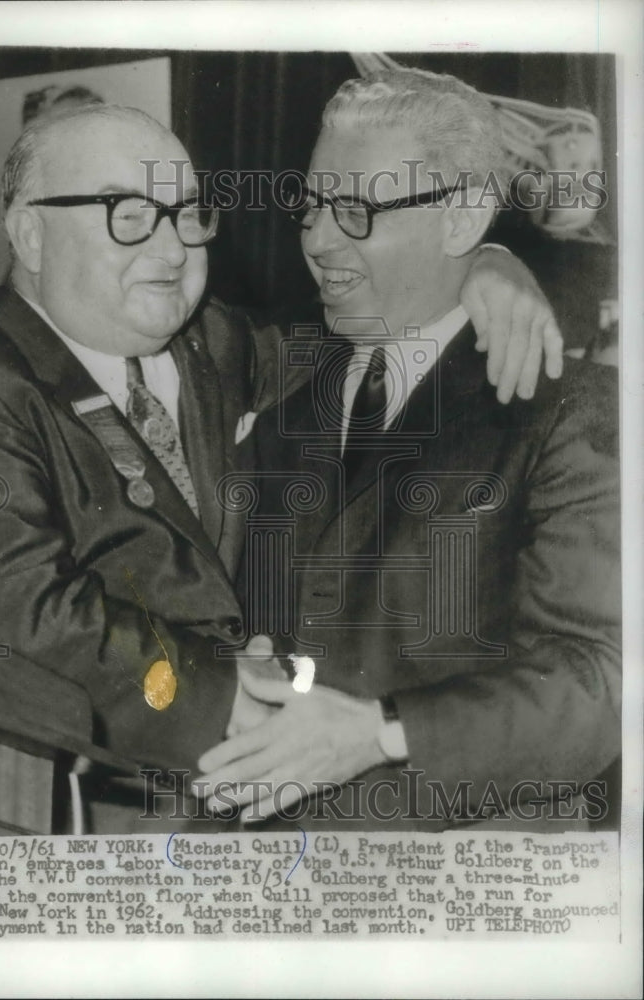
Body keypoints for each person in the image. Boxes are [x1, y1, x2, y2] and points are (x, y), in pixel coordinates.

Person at [0, 102, 564, 830]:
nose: (172, 250)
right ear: (31, 234)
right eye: (129, 215)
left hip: (248, 818)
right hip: (65, 809)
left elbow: (380, 310)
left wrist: (482, 261)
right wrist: (222, 695)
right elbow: (2, 601)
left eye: (188, 214)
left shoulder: (212, 345)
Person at [196, 69, 620, 831]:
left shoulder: (573, 410)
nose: (319, 241)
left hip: (472, 893)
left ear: (461, 220)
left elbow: (597, 682)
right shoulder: (283, 395)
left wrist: (381, 734)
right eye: (311, 208)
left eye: (354, 211)